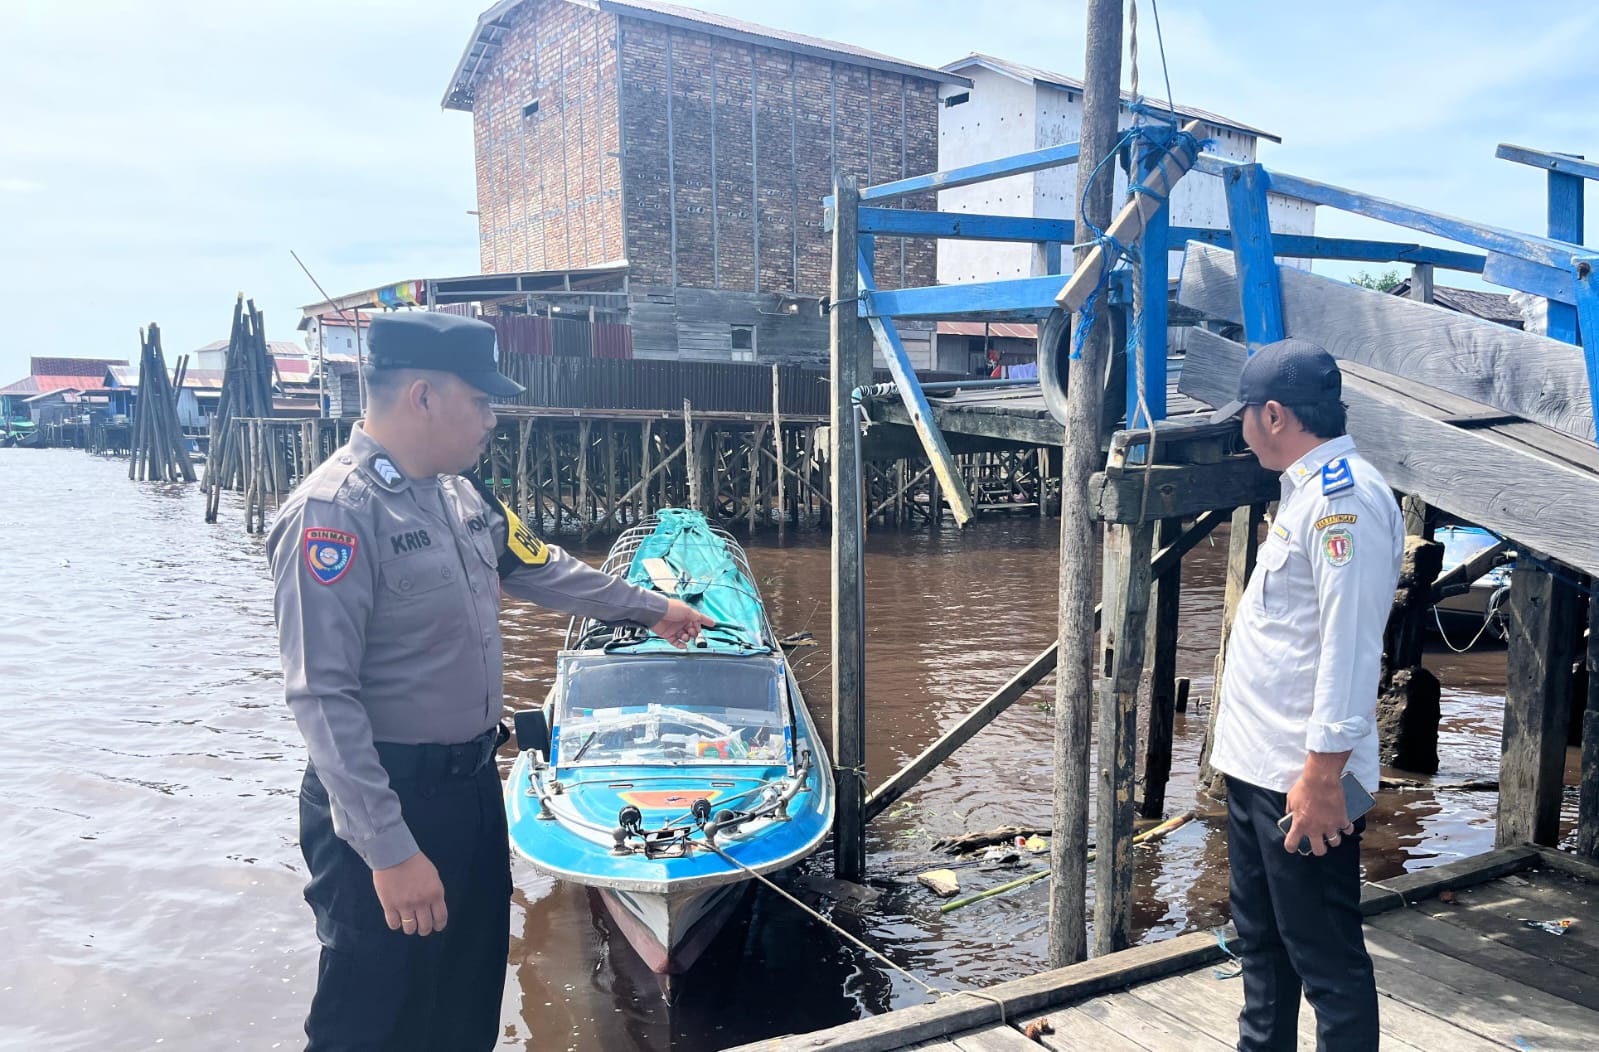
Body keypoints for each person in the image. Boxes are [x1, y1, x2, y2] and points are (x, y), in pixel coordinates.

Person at [267, 311, 714, 1051]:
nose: (493, 419)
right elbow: (321, 697)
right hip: (388, 798)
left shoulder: (462, 499)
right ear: (423, 396)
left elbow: (545, 570)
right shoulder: (334, 514)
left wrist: (654, 609)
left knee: (466, 999)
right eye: (481, 401)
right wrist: (389, 851)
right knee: (369, 1017)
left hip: (472, 789)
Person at [1206, 337, 1404, 1051]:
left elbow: (1349, 648)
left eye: (1245, 417)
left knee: (1325, 962)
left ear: (1274, 415)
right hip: (1258, 766)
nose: (1240, 429)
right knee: (1260, 948)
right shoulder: (1305, 492)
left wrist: (1322, 777)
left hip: (1301, 776)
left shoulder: (1341, 501)